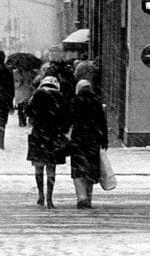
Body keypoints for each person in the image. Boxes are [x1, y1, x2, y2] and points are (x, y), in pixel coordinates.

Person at [25, 74, 69, 209]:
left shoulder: (37, 94)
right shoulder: (60, 96)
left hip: (38, 134)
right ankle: (50, 198)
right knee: (51, 167)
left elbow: (28, 111)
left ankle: (40, 195)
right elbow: (66, 116)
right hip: (53, 135)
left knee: (38, 166)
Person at [69, 78, 108, 209]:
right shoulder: (97, 102)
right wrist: (104, 139)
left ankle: (81, 197)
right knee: (91, 169)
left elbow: (70, 120)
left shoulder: (75, 101)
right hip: (93, 140)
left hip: (78, 140)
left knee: (78, 170)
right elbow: (102, 122)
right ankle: (89, 197)